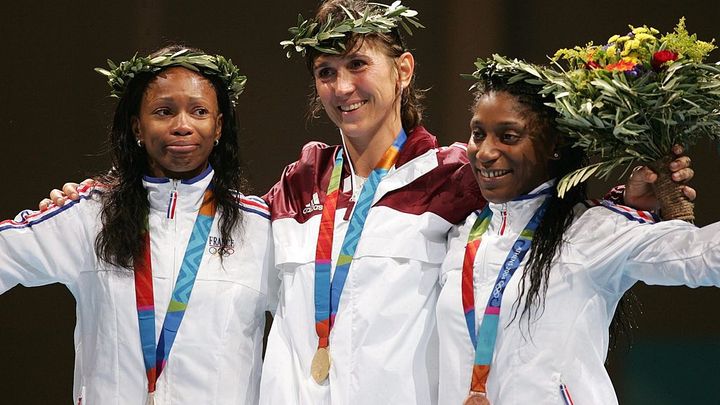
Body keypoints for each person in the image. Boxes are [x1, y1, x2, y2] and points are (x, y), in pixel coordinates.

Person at [38, 3, 694, 404]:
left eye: (357, 64)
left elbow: (541, 226)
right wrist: (115, 196)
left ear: (402, 70)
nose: (342, 86)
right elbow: (203, 236)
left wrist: (629, 197)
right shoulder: (295, 187)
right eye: (325, 71)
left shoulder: (457, 175)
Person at [0, 45, 276, 404]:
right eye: (164, 112)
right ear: (137, 127)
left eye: (199, 111)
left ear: (218, 125)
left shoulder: (260, 227)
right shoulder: (89, 216)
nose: (182, 125)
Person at [435, 56, 719, 405]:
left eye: (508, 136)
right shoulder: (458, 235)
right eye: (478, 134)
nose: (486, 152)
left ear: (554, 145)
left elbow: (701, 257)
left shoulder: (592, 231)